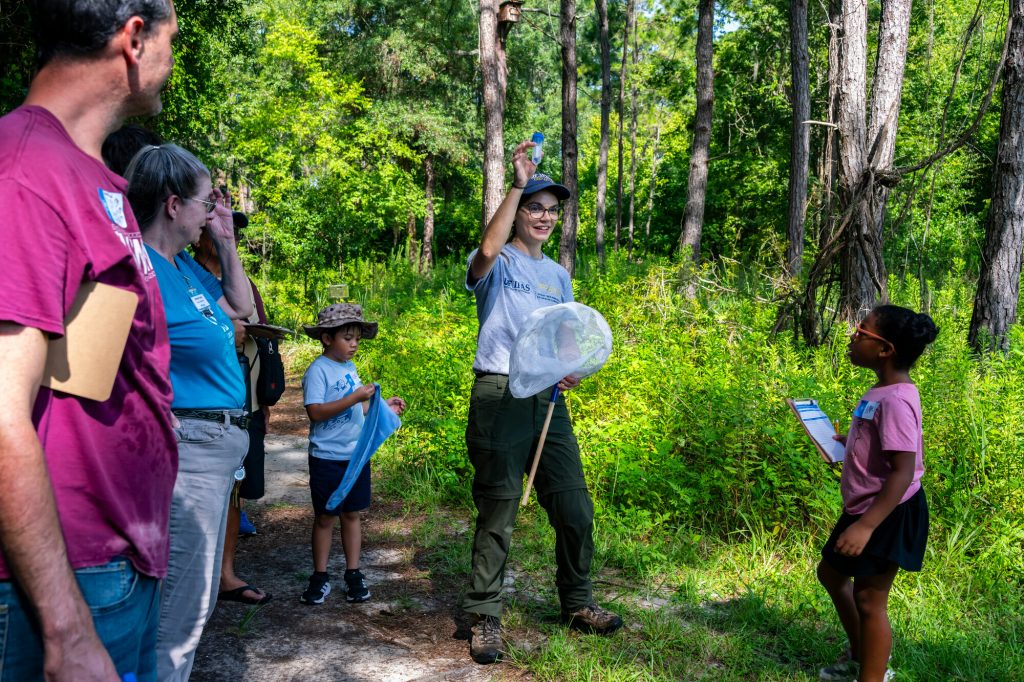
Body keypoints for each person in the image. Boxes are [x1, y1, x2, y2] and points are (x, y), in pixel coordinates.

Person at [0, 2, 179, 680]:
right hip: (61, 584)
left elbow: (81, 375)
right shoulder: (23, 172)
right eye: (170, 39)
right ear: (133, 38)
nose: (171, 59)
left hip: (114, 564)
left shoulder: (91, 178)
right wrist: (66, 627)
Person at [461, 140, 623, 666]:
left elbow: (565, 338)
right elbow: (485, 250)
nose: (545, 217)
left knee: (575, 506)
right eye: (536, 207)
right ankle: (485, 615)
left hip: (548, 400)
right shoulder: (498, 261)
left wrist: (571, 367)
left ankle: (577, 602)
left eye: (553, 210)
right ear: (519, 211)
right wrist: (516, 182)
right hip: (501, 392)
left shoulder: (558, 276)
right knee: (500, 507)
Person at [125, 143, 254, 681]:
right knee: (180, 610)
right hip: (189, 450)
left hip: (214, 451)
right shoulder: (139, 268)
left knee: (186, 603)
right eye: (206, 203)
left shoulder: (179, 269)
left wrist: (225, 241)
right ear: (174, 205)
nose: (212, 211)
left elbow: (240, 306)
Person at [817, 305, 938, 682]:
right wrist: (850, 442)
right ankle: (860, 655)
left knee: (870, 600)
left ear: (885, 349)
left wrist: (866, 527)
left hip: (887, 511)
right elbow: (882, 444)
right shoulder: (881, 391)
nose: (853, 335)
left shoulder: (897, 400)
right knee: (832, 574)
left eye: (862, 330)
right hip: (866, 506)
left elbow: (902, 472)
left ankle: (873, 674)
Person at [299, 304, 406, 605]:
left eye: (357, 338)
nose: (354, 344)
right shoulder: (318, 370)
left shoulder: (349, 369)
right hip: (327, 457)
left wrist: (383, 408)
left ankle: (353, 572)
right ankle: (320, 576)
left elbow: (358, 409)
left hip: (355, 455)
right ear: (326, 338)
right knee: (325, 516)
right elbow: (316, 413)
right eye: (348, 337)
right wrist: (355, 397)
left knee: (352, 513)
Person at [193, 208, 273, 606]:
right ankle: (198, 577)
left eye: (235, 231)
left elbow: (258, 335)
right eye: (216, 230)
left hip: (246, 401)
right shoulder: (184, 275)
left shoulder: (243, 282)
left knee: (235, 493)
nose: (229, 236)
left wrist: (264, 404)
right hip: (201, 405)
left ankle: (224, 573)